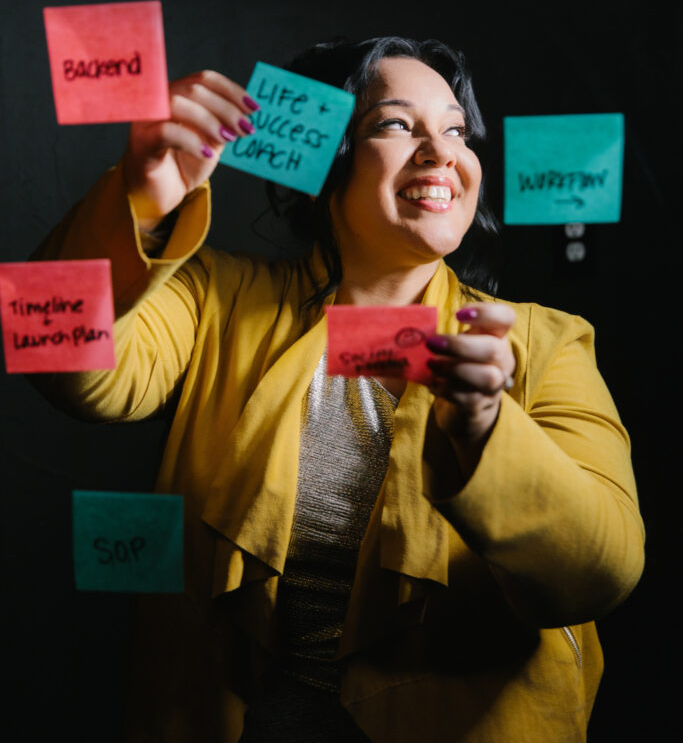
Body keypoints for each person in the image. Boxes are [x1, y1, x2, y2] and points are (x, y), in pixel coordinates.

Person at [32, 36, 644, 742]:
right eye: (394, 124)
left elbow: (598, 574)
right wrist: (136, 200)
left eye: (454, 130)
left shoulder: (548, 341)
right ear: (324, 159)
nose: (441, 152)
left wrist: (483, 433)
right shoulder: (215, 302)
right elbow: (61, 367)